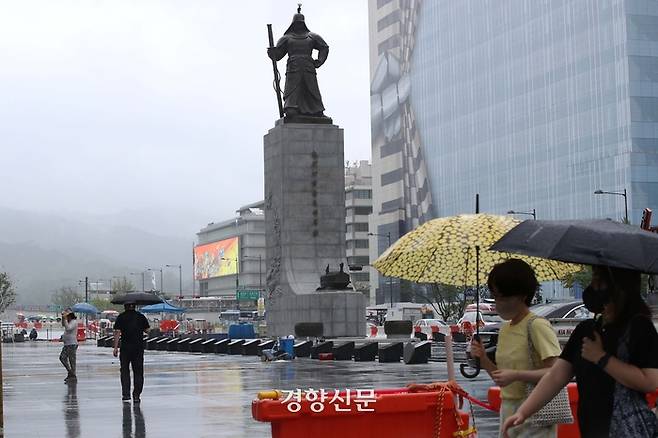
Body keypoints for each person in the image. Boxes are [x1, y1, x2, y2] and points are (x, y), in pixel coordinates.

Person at [502, 266, 658, 438]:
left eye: (598, 278)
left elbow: (649, 381)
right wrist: (523, 412)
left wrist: (601, 358)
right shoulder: (587, 330)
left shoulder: (639, 327)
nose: (592, 285)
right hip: (591, 430)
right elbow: (556, 377)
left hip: (629, 431)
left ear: (618, 283)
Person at [471, 259, 561, 438]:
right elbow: (502, 379)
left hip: (535, 413)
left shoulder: (537, 326)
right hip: (508, 411)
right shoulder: (505, 329)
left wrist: (517, 375)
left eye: (503, 296)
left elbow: (556, 373)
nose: (498, 302)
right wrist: (483, 358)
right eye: (495, 296)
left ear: (522, 295)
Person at [113, 302, 150, 403]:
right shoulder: (141, 317)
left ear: (125, 307)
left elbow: (117, 332)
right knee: (138, 371)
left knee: (124, 371)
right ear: (135, 307)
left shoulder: (121, 317)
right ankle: (136, 395)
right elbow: (147, 330)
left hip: (125, 348)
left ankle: (126, 394)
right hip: (138, 348)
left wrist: (115, 347)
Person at [60, 309, 78, 382]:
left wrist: (65, 319)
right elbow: (63, 325)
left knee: (72, 361)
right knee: (62, 358)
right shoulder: (68, 321)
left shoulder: (73, 322)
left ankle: (72, 375)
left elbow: (68, 328)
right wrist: (63, 318)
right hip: (67, 344)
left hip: (72, 344)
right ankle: (71, 373)